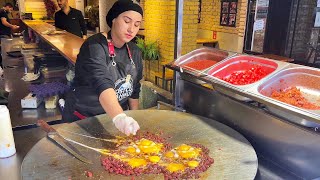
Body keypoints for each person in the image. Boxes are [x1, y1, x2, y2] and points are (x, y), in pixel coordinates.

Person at [62, 0, 143, 136]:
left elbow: (134, 89)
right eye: (127, 21)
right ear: (114, 19)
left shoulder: (135, 51)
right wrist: (120, 118)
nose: (131, 29)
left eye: (136, 24)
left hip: (114, 123)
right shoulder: (94, 46)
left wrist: (134, 119)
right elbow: (101, 82)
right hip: (83, 121)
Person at [0, 3, 19, 68]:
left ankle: (4, 65)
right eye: (10, 10)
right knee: (5, 51)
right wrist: (12, 26)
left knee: (4, 50)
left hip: (3, 33)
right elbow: (4, 22)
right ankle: (5, 66)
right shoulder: (3, 12)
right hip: (3, 34)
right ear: (7, 7)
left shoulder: (2, 12)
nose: (10, 11)